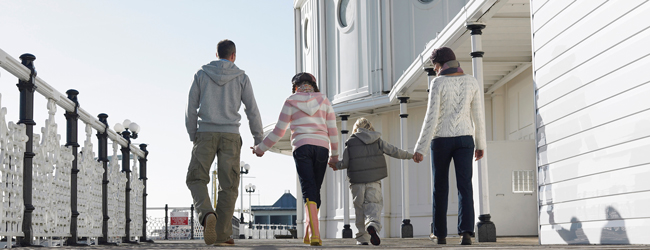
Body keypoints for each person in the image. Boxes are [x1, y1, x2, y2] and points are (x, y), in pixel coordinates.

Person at [185, 39, 264, 246]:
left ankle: (206, 213)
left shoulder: (201, 74)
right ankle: (222, 235)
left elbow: (190, 108)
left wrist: (194, 134)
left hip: (205, 133)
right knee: (228, 186)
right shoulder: (242, 78)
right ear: (233, 56)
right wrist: (259, 140)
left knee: (196, 179)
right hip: (231, 135)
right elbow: (252, 110)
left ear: (216, 54)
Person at [252, 72, 338, 246]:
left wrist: (261, 149)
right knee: (315, 189)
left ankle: (314, 234)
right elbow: (333, 130)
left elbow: (279, 131)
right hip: (322, 148)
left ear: (295, 86)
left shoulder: (291, 101)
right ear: (314, 85)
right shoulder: (324, 100)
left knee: (308, 188)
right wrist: (335, 155)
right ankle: (310, 233)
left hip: (302, 147)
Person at [412, 47, 486, 245]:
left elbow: (431, 118)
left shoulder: (438, 83)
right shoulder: (471, 81)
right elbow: (478, 116)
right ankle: (467, 233)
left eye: (434, 66)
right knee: (465, 187)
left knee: (440, 186)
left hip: (441, 139)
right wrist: (480, 144)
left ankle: (441, 234)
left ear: (440, 64)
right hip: (465, 139)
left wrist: (421, 148)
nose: (435, 70)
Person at [329, 117, 413, 246]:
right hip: (374, 180)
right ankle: (373, 224)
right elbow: (394, 151)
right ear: (370, 127)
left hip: (356, 182)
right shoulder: (377, 141)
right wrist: (411, 155)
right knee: (373, 204)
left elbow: (345, 163)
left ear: (356, 128)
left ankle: (362, 238)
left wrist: (336, 165)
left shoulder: (350, 142)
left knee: (359, 209)